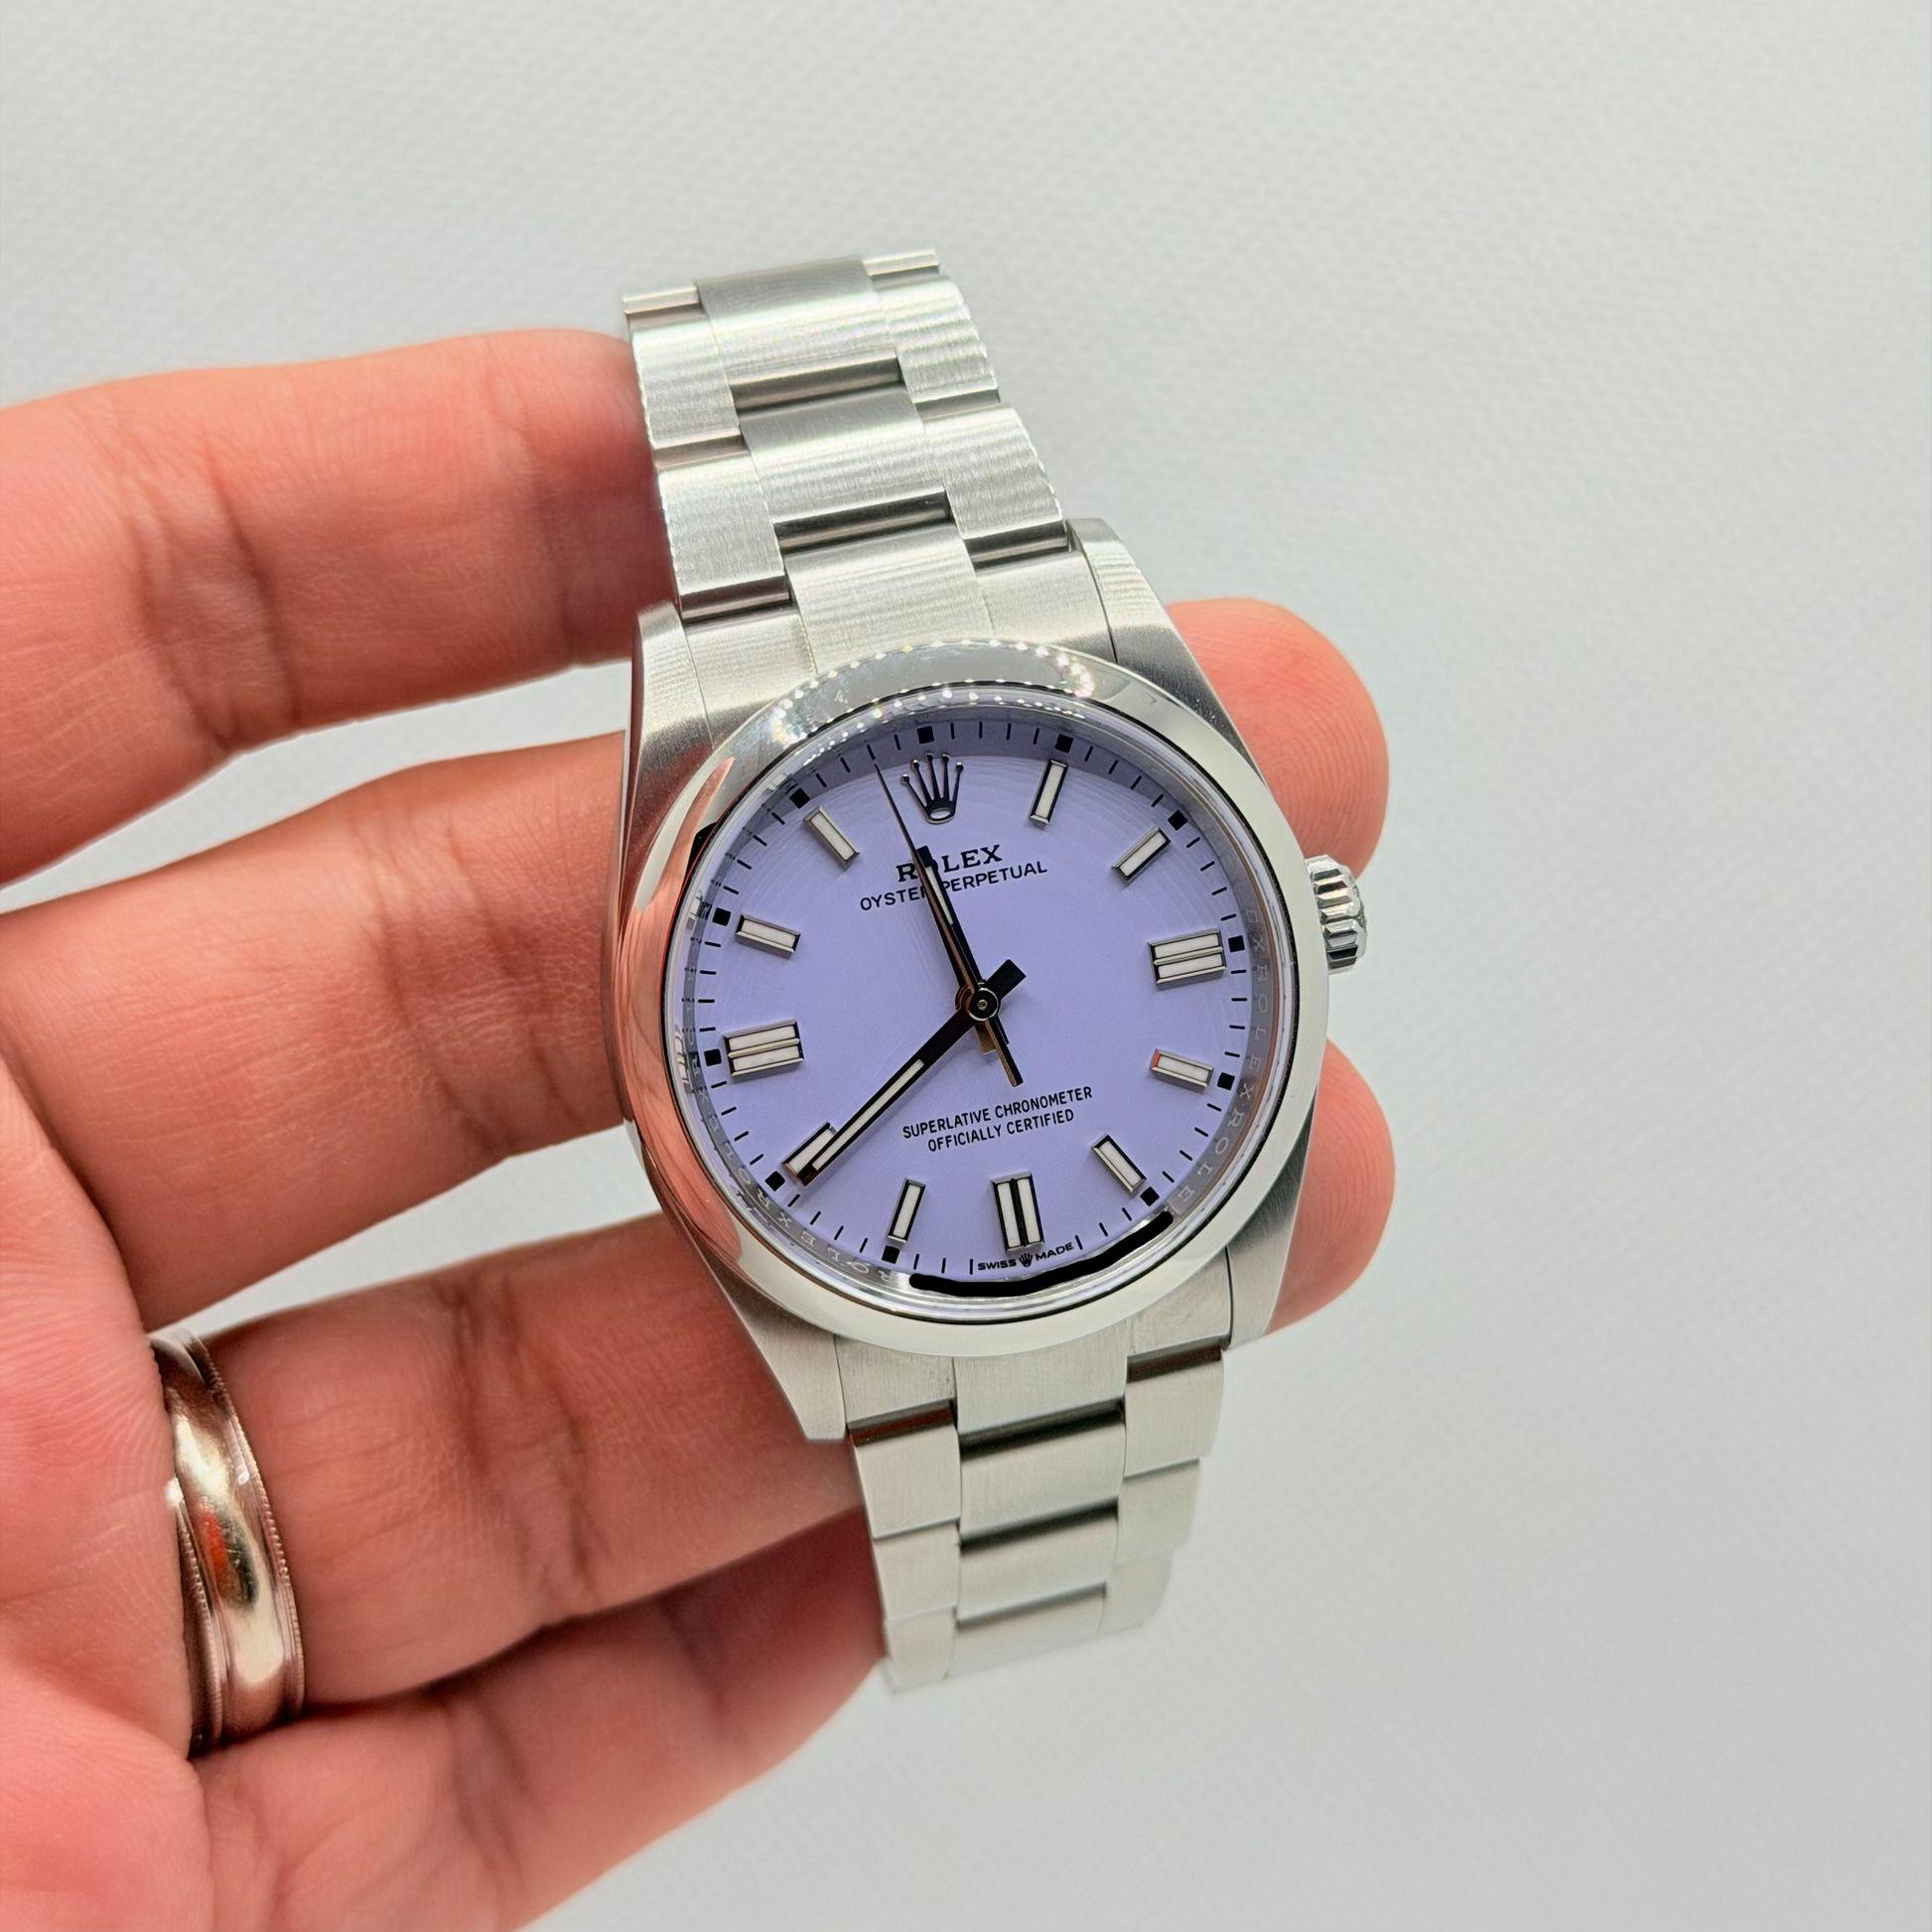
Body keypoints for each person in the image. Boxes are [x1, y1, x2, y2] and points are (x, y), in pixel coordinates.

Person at [0, 329, 1394, 1930]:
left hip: (1135, 1220)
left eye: (980, 1003)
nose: (981, 1017)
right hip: (890, 1247)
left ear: (1301, 920)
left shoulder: (1119, 710)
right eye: (971, 1006)